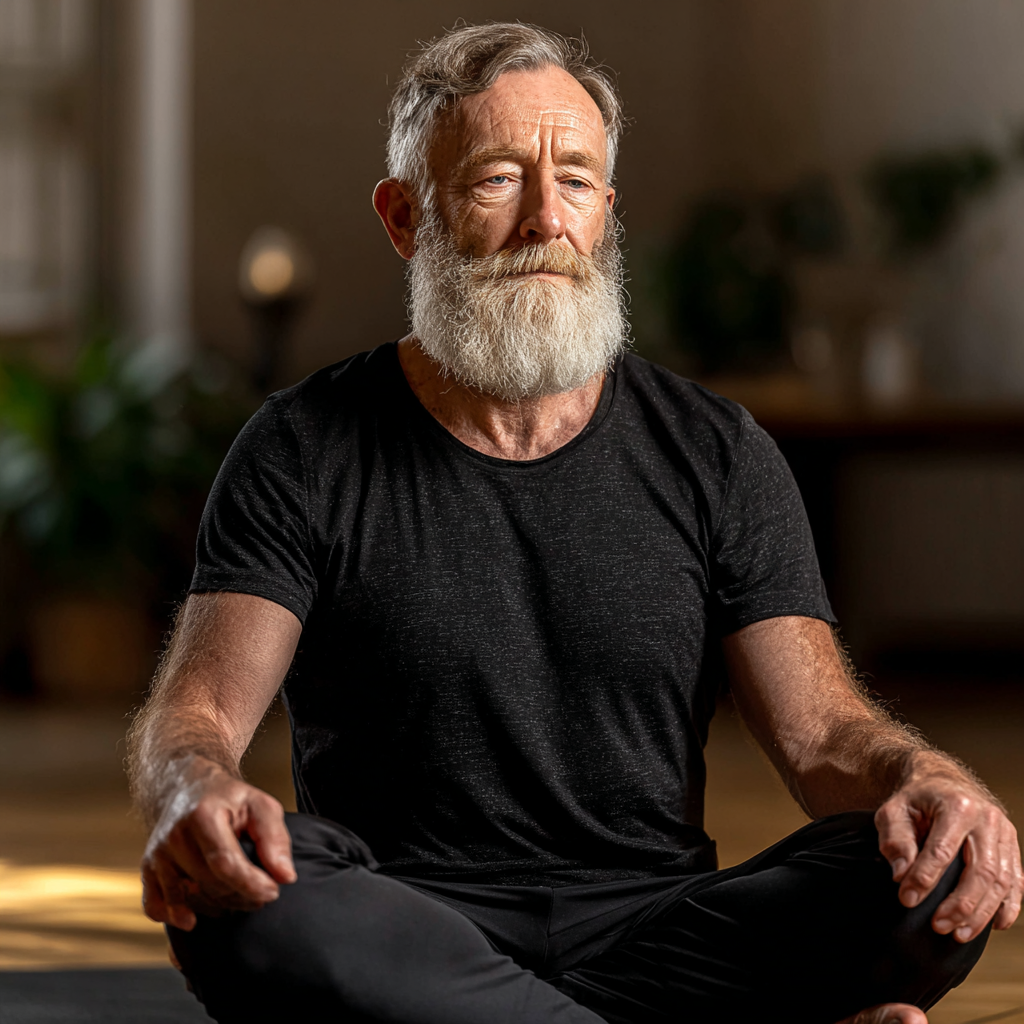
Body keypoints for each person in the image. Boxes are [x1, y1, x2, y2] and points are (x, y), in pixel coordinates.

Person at [127, 23, 1021, 1024]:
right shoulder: (302, 446)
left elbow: (823, 739)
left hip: (659, 931)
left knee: (930, 868)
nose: (545, 220)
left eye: (580, 182)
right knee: (240, 900)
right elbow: (198, 716)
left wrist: (924, 771)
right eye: (498, 179)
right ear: (403, 215)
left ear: (607, 212)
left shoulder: (716, 451)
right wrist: (192, 789)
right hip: (407, 922)